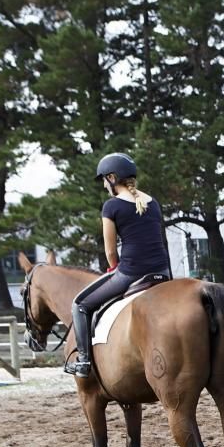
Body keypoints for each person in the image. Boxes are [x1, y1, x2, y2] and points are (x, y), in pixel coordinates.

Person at [68, 153, 171, 378]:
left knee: (80, 305)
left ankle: (84, 361)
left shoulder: (111, 206)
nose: (104, 185)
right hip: (163, 272)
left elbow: (110, 251)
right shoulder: (152, 203)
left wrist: (114, 267)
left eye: (104, 180)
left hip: (132, 273)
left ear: (113, 178)